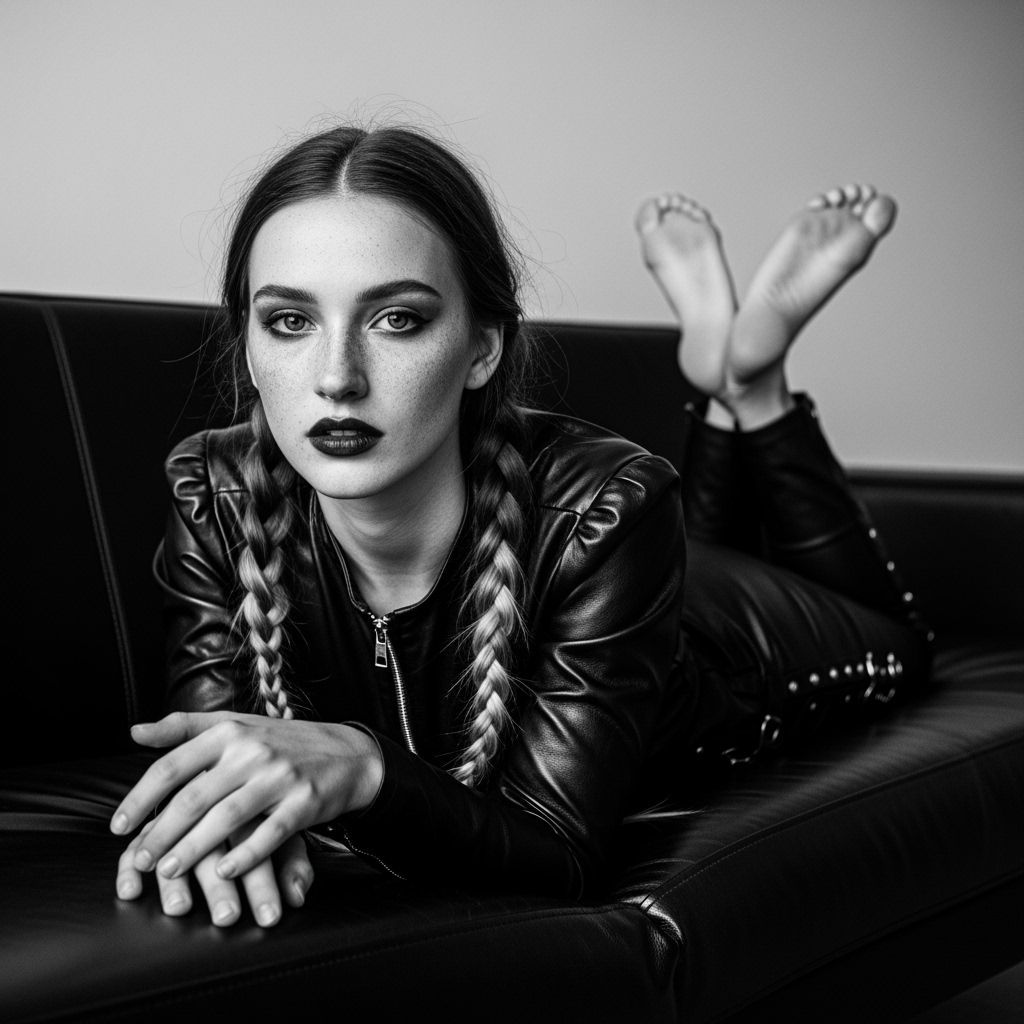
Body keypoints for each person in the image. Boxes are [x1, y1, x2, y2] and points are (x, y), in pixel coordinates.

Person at [109, 125, 930, 929]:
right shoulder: (214, 490)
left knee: (904, 642)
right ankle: (732, 378)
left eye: (396, 319)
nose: (336, 378)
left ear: (482, 349)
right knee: (700, 542)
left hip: (733, 648)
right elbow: (212, 757)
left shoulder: (609, 507)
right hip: (634, 582)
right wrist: (243, 827)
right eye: (291, 321)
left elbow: (559, 849)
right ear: (248, 347)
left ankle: (752, 392)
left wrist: (365, 767)